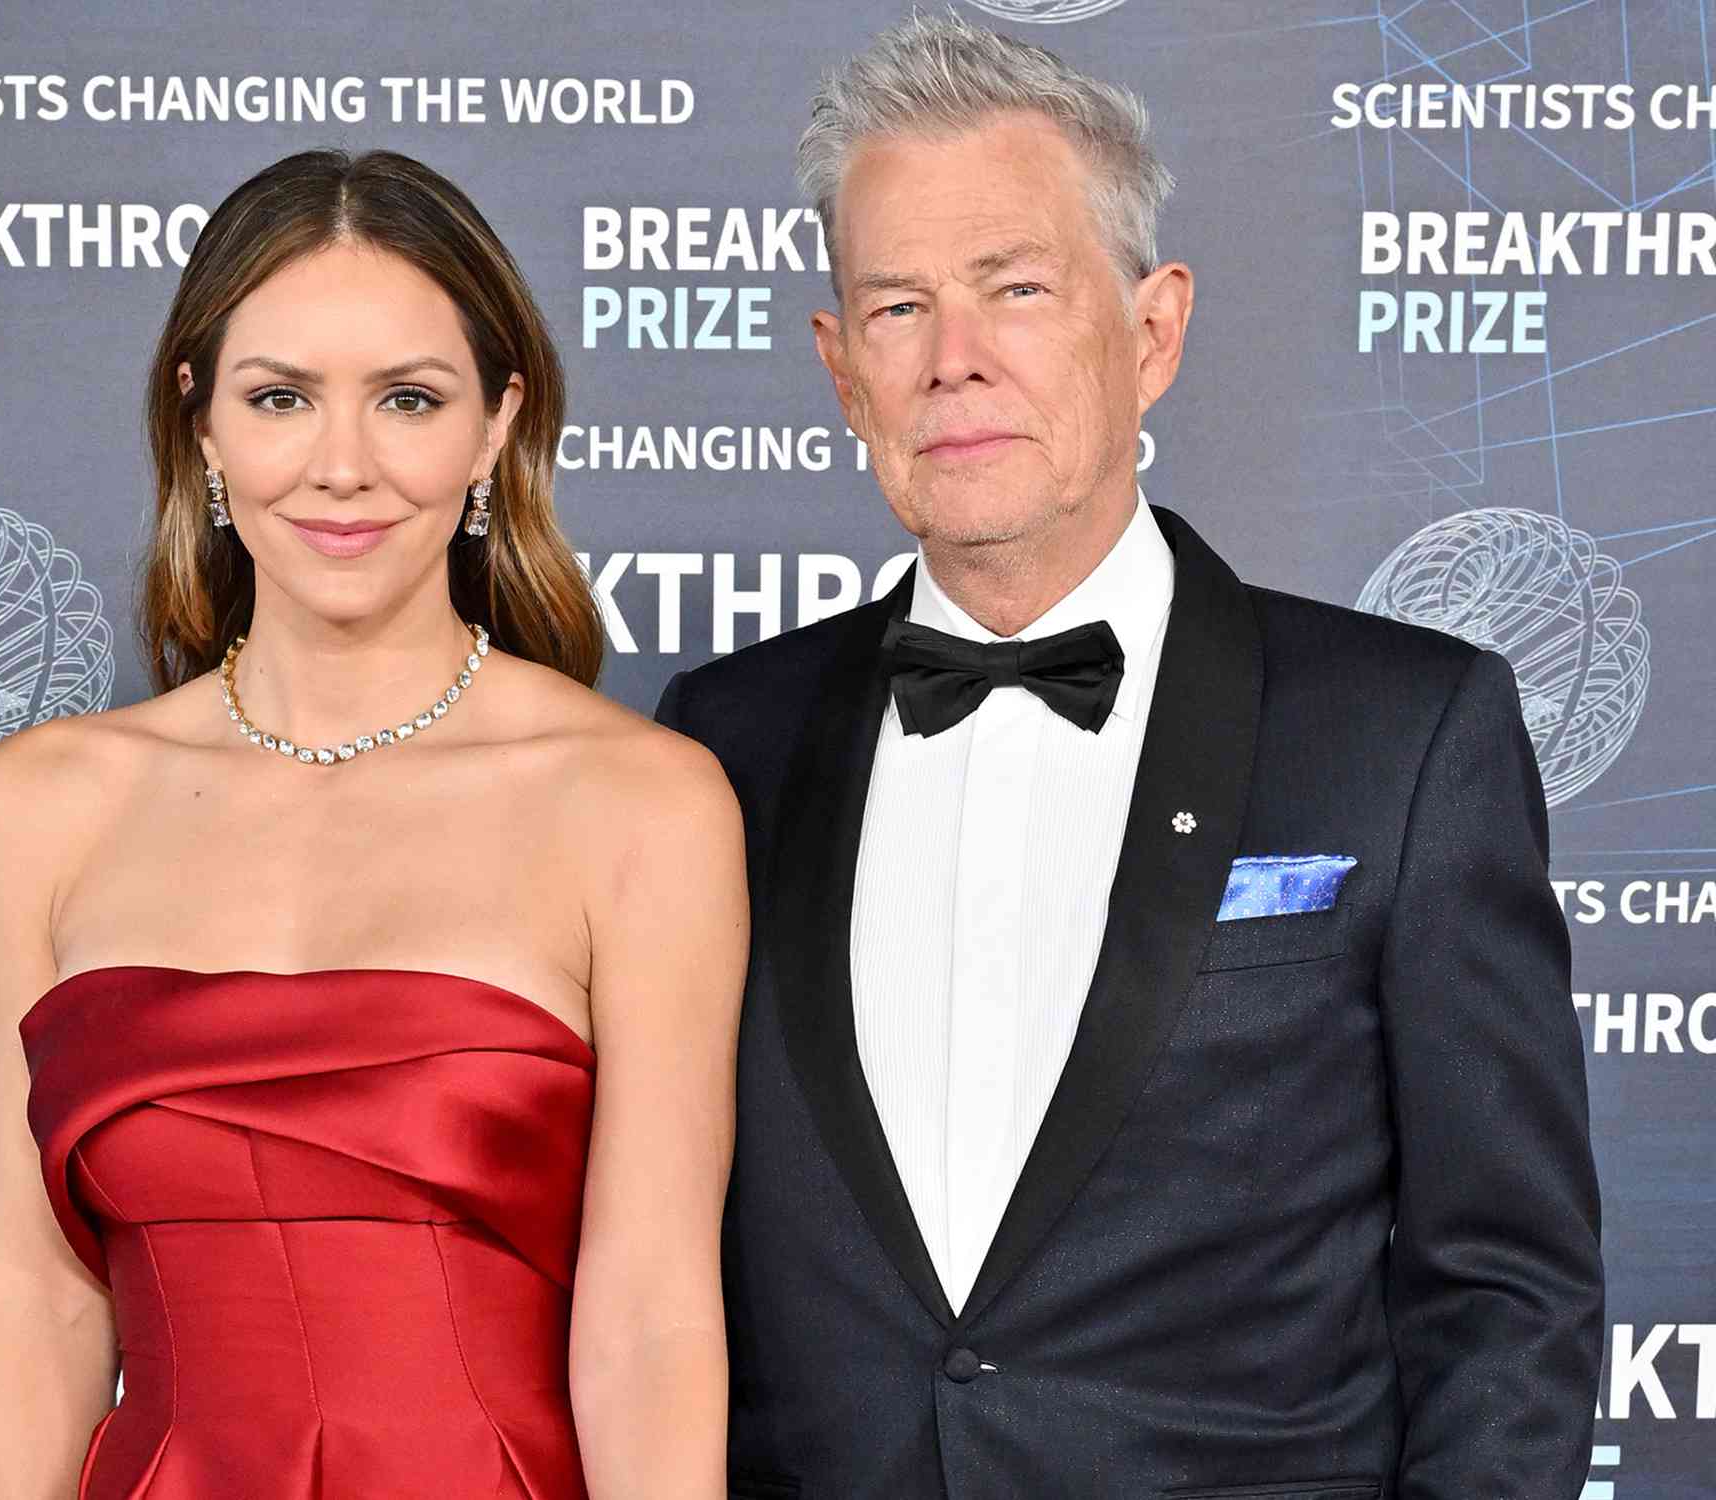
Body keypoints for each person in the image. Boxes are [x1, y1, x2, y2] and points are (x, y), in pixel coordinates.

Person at [655, 15, 1604, 1499]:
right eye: (897, 308)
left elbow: (1507, 1296)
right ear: (842, 370)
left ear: (1153, 330)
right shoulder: (721, 743)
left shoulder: (1408, 733)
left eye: (1016, 289)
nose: (954, 362)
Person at [0, 148, 743, 1500]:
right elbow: (40, 1295)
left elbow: (653, 1324)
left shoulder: (638, 802)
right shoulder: (40, 805)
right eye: (281, 398)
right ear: (201, 421)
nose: (342, 467)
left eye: (408, 399)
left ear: (498, 426)